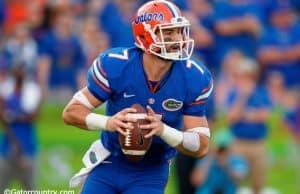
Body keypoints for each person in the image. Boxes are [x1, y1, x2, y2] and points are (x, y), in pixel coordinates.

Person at [62, 1, 213, 194]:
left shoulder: (194, 77)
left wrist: (163, 130)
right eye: (168, 33)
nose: (178, 39)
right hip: (109, 161)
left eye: (179, 31)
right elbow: (71, 112)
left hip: (151, 170)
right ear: (145, 36)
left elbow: (201, 145)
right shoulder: (117, 66)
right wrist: (110, 123)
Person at [226, 58, 272, 194]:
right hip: (239, 143)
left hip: (258, 143)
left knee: (258, 182)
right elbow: (232, 117)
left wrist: (245, 115)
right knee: (235, 179)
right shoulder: (235, 93)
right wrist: (243, 97)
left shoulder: (262, 92)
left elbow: (264, 116)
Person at [0, 63, 41, 192]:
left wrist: (13, 116)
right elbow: (3, 118)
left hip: (27, 149)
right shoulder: (6, 92)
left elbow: (34, 116)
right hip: (8, 149)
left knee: (30, 188)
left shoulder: (32, 92)